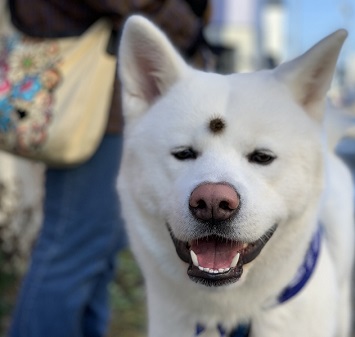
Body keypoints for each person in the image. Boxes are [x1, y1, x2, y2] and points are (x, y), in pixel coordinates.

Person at [7, 1, 211, 336]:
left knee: (99, 254)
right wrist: (184, 24)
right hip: (98, 108)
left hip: (116, 110)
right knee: (73, 250)